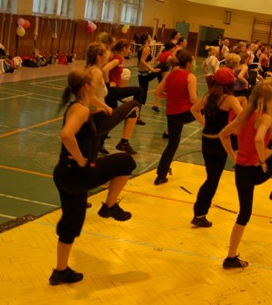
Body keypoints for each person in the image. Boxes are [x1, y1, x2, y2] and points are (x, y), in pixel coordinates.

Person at [50, 68, 136, 286]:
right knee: (126, 162)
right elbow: (66, 134)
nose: (97, 84)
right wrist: (80, 159)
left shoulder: (78, 106)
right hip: (78, 173)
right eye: (93, 82)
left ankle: (60, 271)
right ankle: (109, 206)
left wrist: (99, 109)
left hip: (64, 174)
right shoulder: (81, 111)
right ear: (87, 87)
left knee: (72, 223)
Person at [218, 82, 272, 269]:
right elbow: (259, 138)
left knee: (244, 214)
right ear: (271, 99)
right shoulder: (265, 118)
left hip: (241, 170)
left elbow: (223, 134)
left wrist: (234, 157)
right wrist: (262, 161)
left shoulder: (243, 115)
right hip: (255, 170)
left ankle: (230, 258)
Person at [190, 67, 243, 227]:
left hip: (206, 140)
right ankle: (199, 213)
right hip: (219, 143)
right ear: (231, 83)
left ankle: (201, 209)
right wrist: (231, 128)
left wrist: (205, 124)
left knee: (211, 177)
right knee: (212, 180)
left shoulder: (209, 96)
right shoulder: (230, 99)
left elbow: (194, 110)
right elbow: (243, 116)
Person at [86, 43, 140, 155]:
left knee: (91, 156)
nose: (109, 54)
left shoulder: (91, 70)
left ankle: (101, 146)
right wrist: (104, 107)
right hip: (97, 118)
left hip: (94, 117)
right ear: (99, 57)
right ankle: (124, 142)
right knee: (134, 104)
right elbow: (88, 95)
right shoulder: (96, 72)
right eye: (107, 53)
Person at [153, 51, 198, 185]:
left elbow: (157, 93)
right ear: (188, 63)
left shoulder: (170, 74)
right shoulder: (190, 76)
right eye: (192, 62)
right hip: (185, 113)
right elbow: (193, 99)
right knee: (209, 104)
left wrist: (171, 97)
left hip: (172, 114)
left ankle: (161, 176)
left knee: (172, 145)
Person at [137, 33, 161, 107]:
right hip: (144, 74)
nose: (151, 39)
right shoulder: (146, 48)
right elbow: (142, 60)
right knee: (143, 95)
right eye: (150, 37)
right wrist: (152, 69)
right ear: (146, 39)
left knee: (142, 93)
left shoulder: (141, 47)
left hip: (142, 73)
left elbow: (139, 62)